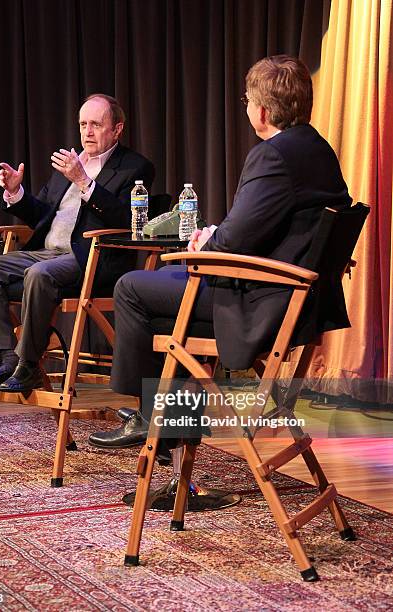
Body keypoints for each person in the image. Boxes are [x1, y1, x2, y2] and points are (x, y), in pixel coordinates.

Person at [88, 55, 352, 450]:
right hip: (299, 303)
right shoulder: (318, 149)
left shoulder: (274, 155)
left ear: (262, 111)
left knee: (132, 288)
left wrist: (205, 243)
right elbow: (274, 228)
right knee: (166, 298)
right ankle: (172, 418)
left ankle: (153, 415)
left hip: (260, 303)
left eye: (246, 100)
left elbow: (232, 242)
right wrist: (216, 238)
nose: (245, 108)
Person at [0, 94, 155, 392]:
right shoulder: (72, 162)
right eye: (83, 124)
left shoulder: (134, 168)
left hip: (91, 259)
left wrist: (84, 183)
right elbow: (42, 216)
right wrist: (16, 193)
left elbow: (127, 220)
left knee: (38, 275)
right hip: (46, 253)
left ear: (117, 129)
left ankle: (27, 364)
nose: (87, 132)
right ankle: (4, 357)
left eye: (96, 124)